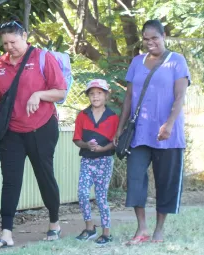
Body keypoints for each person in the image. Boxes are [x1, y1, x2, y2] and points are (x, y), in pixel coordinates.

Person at [0, 17, 67, 250]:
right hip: (11, 131)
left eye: (13, 42)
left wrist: (39, 95)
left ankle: (54, 222)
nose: (9, 47)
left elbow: (60, 92)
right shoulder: (1, 64)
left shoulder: (42, 57)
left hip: (41, 128)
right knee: (11, 181)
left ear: (24, 37)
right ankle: (7, 233)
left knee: (44, 176)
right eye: (5, 44)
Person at [114, 20, 190, 244]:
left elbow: (180, 97)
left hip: (167, 134)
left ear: (163, 35)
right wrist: (120, 128)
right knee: (135, 179)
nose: (150, 43)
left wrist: (168, 124)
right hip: (139, 134)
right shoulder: (137, 62)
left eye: (154, 38)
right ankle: (142, 228)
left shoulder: (177, 61)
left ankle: (159, 229)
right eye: (146, 39)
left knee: (165, 182)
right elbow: (128, 97)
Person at [73, 79, 119, 245]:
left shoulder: (113, 117)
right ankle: (90, 228)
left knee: (101, 197)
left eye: (99, 93)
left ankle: (106, 232)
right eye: (92, 94)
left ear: (106, 95)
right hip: (87, 160)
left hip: (105, 160)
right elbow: (77, 139)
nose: (95, 96)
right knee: (83, 193)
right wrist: (87, 145)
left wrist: (102, 149)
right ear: (88, 96)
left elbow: (115, 141)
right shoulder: (82, 116)